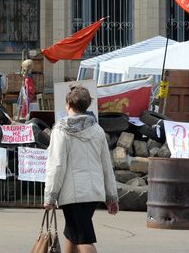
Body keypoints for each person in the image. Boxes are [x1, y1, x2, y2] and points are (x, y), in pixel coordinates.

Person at [44, 85, 118, 253]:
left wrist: (50, 195)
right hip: (93, 192)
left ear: (68, 103)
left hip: (72, 194)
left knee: (82, 238)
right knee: (72, 234)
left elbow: (56, 165)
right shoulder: (97, 129)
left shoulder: (61, 130)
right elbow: (106, 164)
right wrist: (111, 196)